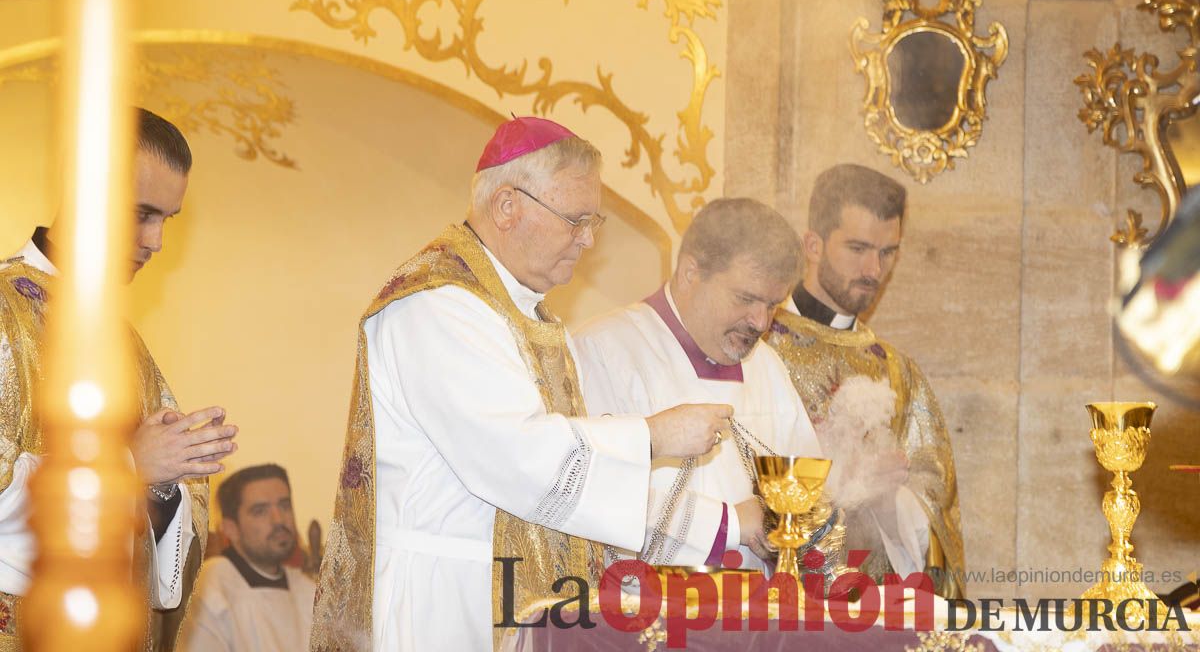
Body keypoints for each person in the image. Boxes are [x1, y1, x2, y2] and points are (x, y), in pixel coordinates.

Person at [311, 116, 732, 652]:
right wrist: (650, 437)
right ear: (507, 207)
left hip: (509, 594)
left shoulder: (527, 314)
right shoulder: (438, 304)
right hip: (443, 598)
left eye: (593, 220)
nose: (588, 239)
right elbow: (518, 456)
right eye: (575, 220)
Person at [0, 108, 240, 649]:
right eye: (141, 214)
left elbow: (155, 563)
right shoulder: (4, 311)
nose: (156, 242)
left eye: (168, 220)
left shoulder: (123, 342)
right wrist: (128, 465)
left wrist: (165, 480)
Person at [575, 198, 839, 573]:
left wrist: (798, 525)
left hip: (757, 621)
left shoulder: (767, 366)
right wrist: (731, 524)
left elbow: (809, 494)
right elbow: (590, 499)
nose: (761, 321)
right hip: (647, 617)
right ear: (689, 273)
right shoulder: (605, 351)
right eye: (745, 298)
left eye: (773, 304)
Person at [764, 163, 964, 597]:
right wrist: (843, 486)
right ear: (813, 245)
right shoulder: (759, 347)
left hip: (877, 616)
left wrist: (887, 499)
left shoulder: (898, 373)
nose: (874, 269)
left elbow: (937, 518)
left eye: (888, 252)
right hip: (781, 609)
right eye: (858, 248)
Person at [178, 464, 316, 651]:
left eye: (284, 505)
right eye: (260, 511)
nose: (279, 520)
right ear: (230, 529)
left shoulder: (307, 589)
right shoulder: (214, 583)